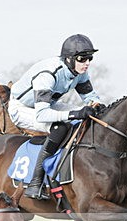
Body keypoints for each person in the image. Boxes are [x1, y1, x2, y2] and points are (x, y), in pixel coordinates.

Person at [8, 34, 106, 200]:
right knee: (60, 126)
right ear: (68, 59)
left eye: (90, 58)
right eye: (82, 58)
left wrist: (97, 107)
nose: (87, 63)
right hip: (23, 108)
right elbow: (42, 114)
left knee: (83, 118)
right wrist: (76, 113)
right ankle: (35, 182)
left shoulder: (80, 72)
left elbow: (91, 99)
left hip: (47, 104)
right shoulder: (48, 74)